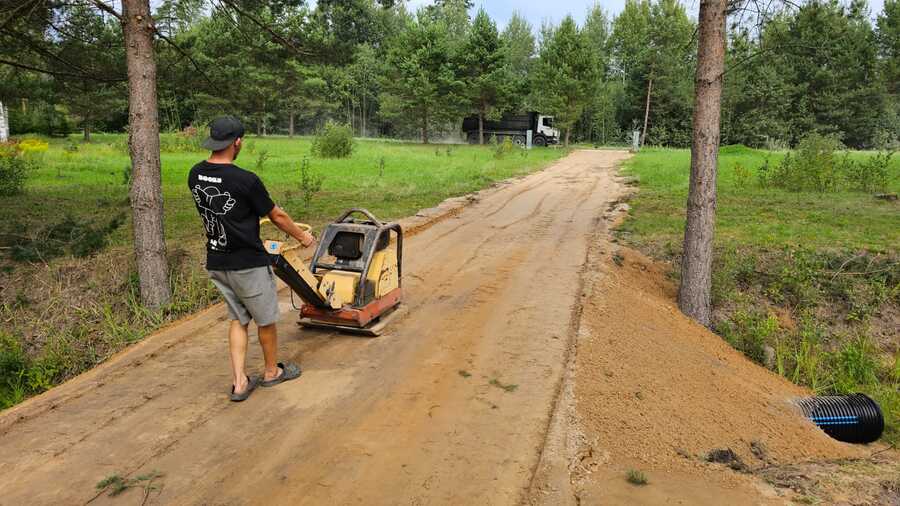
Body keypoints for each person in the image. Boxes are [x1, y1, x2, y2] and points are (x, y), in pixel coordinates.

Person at [188, 116, 316, 402]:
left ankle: (239, 381)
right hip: (248, 262)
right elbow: (277, 215)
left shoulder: (195, 174)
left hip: (218, 261)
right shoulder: (245, 180)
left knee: (237, 318)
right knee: (266, 320)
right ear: (237, 142)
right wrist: (303, 237)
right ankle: (272, 372)